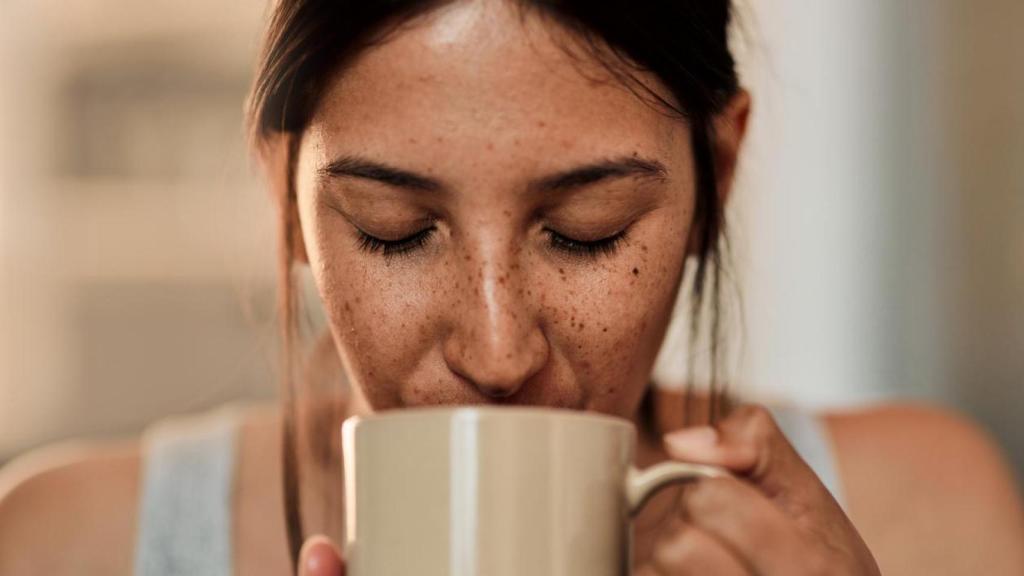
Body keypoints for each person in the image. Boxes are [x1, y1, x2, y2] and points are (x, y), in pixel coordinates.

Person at [1, 1, 1023, 574]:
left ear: (720, 176)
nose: (497, 352)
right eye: (393, 233)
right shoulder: (66, 546)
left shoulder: (922, 514)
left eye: (588, 233)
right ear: (287, 203)